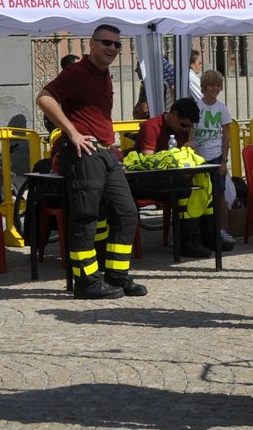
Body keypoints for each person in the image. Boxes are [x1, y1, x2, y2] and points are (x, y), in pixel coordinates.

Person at [36, 24, 148, 300]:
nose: (112, 48)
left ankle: (116, 275)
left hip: (106, 153)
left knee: (126, 212)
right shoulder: (76, 72)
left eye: (116, 45)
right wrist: (71, 132)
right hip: (83, 154)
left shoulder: (104, 74)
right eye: (106, 43)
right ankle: (86, 281)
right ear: (91, 44)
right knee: (86, 218)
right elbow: (44, 98)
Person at [135, 96, 214, 258]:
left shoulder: (181, 130)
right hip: (145, 182)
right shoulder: (151, 127)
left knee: (204, 185)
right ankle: (188, 243)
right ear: (174, 114)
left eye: (189, 128)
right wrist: (179, 151)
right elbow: (149, 161)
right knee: (185, 189)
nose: (185, 130)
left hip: (173, 179)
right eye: (184, 125)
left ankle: (209, 237)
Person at [190, 70, 236, 253]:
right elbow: (191, 130)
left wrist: (224, 160)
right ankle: (201, 231)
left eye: (218, 85)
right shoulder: (197, 106)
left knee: (220, 194)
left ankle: (221, 229)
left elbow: (226, 136)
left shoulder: (222, 109)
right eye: (212, 85)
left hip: (216, 156)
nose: (215, 89)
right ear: (204, 87)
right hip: (199, 156)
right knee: (199, 195)